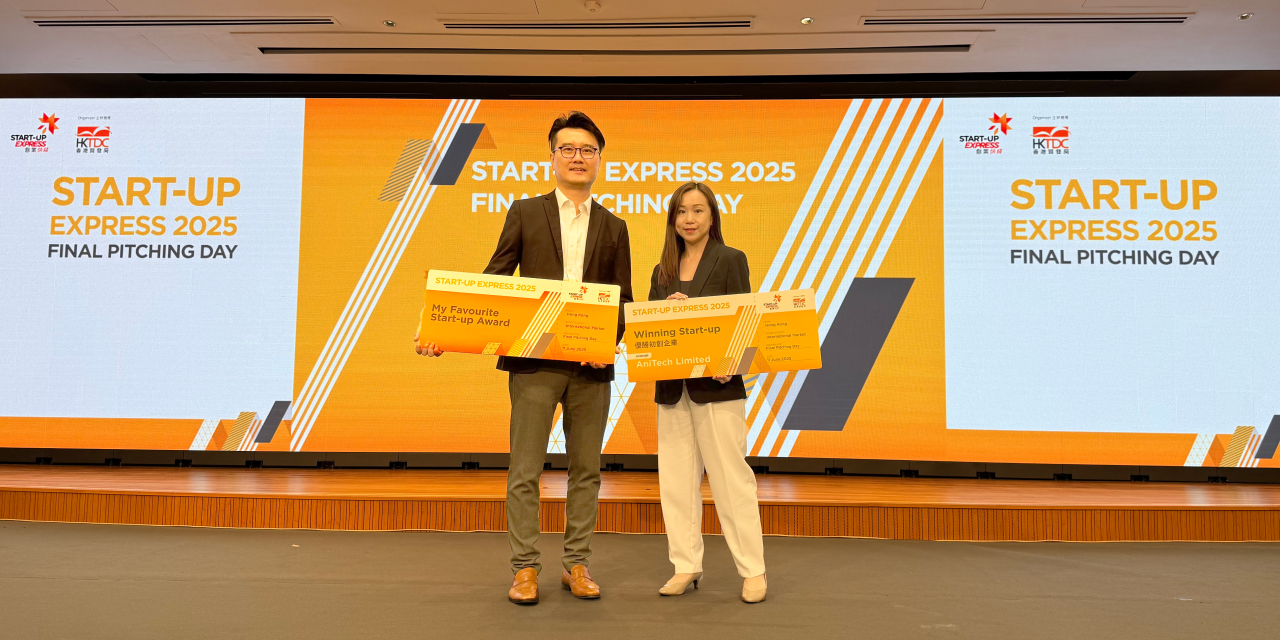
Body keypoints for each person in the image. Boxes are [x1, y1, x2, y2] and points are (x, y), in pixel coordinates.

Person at [415, 111, 632, 605]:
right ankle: (525, 568)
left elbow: (623, 297)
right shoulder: (525, 212)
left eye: (588, 150)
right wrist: (445, 330)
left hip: (592, 368)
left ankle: (577, 564)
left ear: (599, 159)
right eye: (568, 148)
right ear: (552, 157)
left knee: (586, 470)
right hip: (534, 364)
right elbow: (494, 282)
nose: (578, 157)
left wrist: (608, 343)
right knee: (525, 469)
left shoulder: (614, 226)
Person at [647, 181, 767, 603]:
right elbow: (648, 331)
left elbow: (745, 321)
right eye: (681, 211)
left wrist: (729, 360)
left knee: (732, 482)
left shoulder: (731, 259)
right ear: (672, 219)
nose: (689, 219)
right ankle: (686, 565)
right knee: (676, 485)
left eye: (698, 210)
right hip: (672, 390)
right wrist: (664, 314)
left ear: (712, 216)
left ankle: (753, 571)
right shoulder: (661, 270)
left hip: (718, 388)